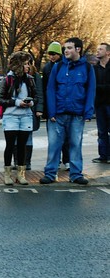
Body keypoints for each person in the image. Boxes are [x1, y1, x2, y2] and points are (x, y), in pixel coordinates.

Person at [40, 37, 96, 185]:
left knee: (76, 145)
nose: (66, 51)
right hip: (57, 114)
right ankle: (50, 173)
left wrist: (88, 112)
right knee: (54, 145)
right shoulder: (57, 67)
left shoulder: (88, 68)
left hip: (77, 115)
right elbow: (50, 90)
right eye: (65, 48)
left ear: (78, 49)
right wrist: (51, 112)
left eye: (69, 48)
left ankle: (76, 174)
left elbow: (91, 91)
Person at [0, 51, 37, 185]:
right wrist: (17, 102)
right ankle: (7, 175)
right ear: (18, 65)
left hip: (26, 116)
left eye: (29, 64)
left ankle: (21, 174)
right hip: (11, 116)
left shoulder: (30, 79)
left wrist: (31, 102)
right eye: (25, 64)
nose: (28, 66)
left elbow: (36, 96)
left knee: (22, 146)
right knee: (10, 145)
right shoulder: (8, 79)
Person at [42, 41, 70, 171]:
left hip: (63, 106)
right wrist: (46, 110)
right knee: (54, 137)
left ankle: (67, 159)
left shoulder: (66, 66)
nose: (51, 56)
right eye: (50, 54)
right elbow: (45, 89)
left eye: (54, 54)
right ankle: (56, 160)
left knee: (66, 137)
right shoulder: (47, 68)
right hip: (51, 106)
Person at [92, 42, 110, 164]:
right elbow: (91, 86)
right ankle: (103, 155)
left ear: (108, 52)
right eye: (97, 49)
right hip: (99, 104)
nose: (97, 51)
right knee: (102, 131)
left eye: (100, 49)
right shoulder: (94, 68)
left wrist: (98, 87)